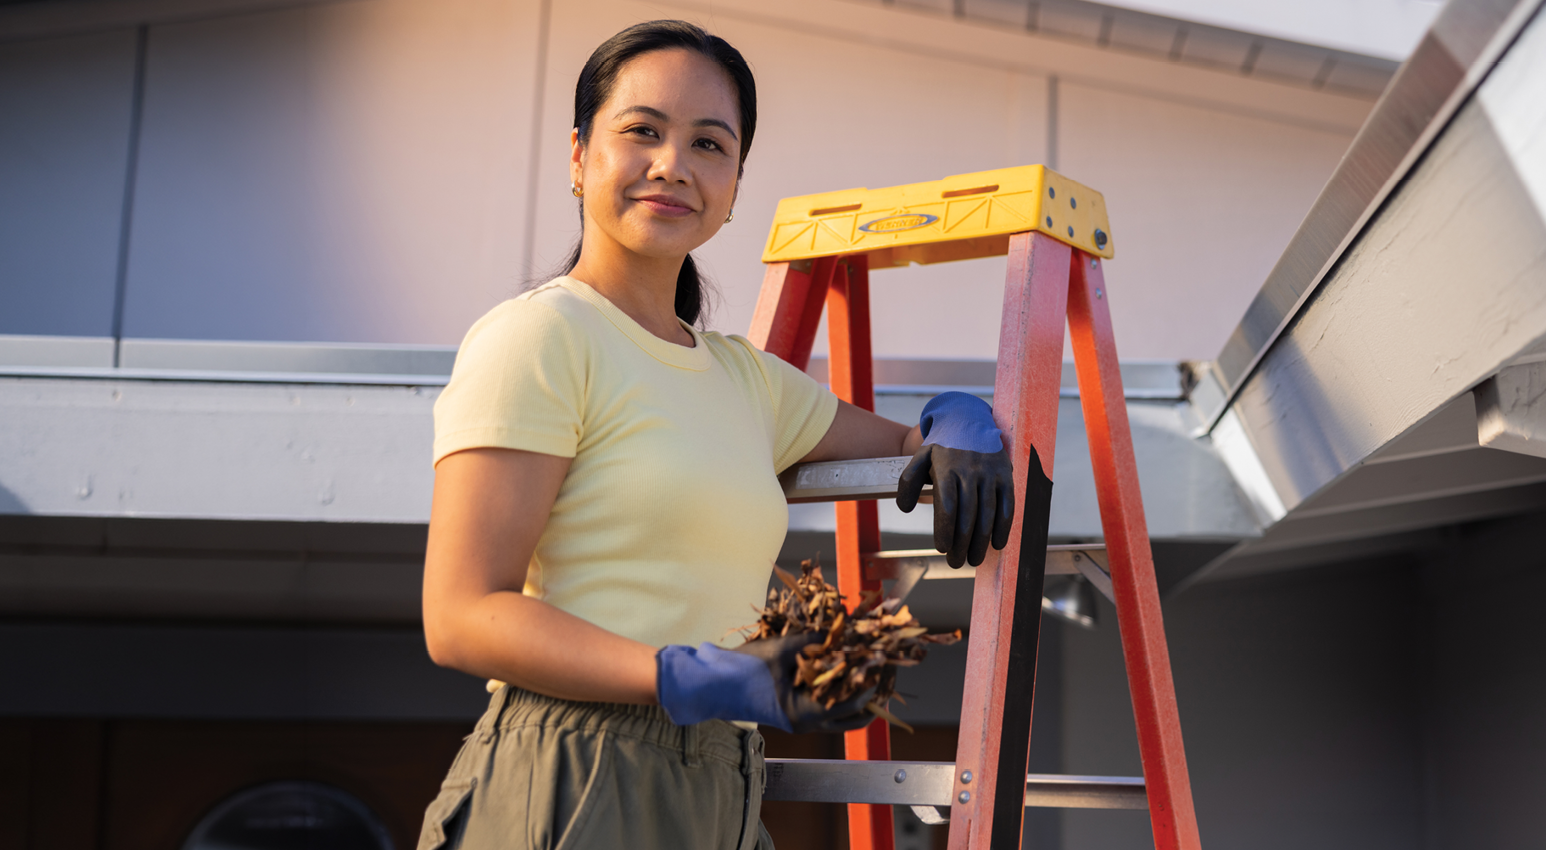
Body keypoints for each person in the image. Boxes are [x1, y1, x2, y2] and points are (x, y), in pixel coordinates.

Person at [416, 20, 1015, 850]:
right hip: (575, 766)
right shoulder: (542, 336)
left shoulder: (746, 379)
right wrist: (690, 675)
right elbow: (459, 616)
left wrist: (961, 418)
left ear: (733, 190)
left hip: (723, 779)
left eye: (709, 144)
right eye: (642, 132)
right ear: (578, 156)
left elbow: (916, 441)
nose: (674, 164)